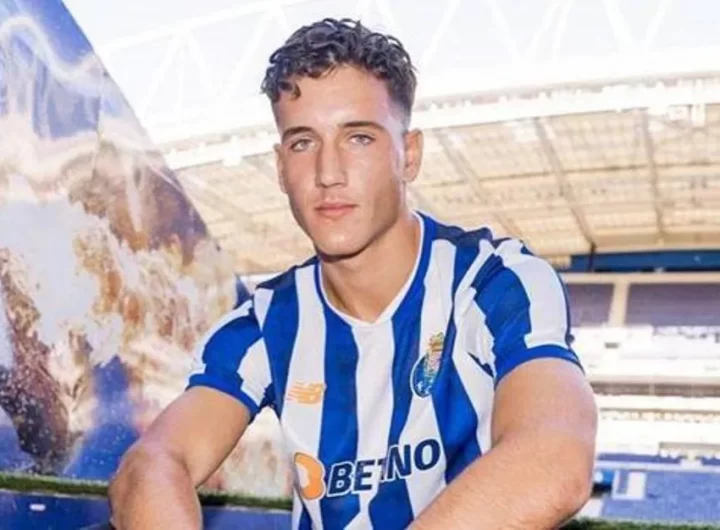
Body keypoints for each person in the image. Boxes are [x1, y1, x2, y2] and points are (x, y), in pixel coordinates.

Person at [108, 17, 598, 530]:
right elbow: (152, 465)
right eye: (303, 143)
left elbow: (555, 457)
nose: (328, 173)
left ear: (409, 155)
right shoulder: (264, 323)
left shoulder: (495, 282)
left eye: (358, 137)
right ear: (281, 168)